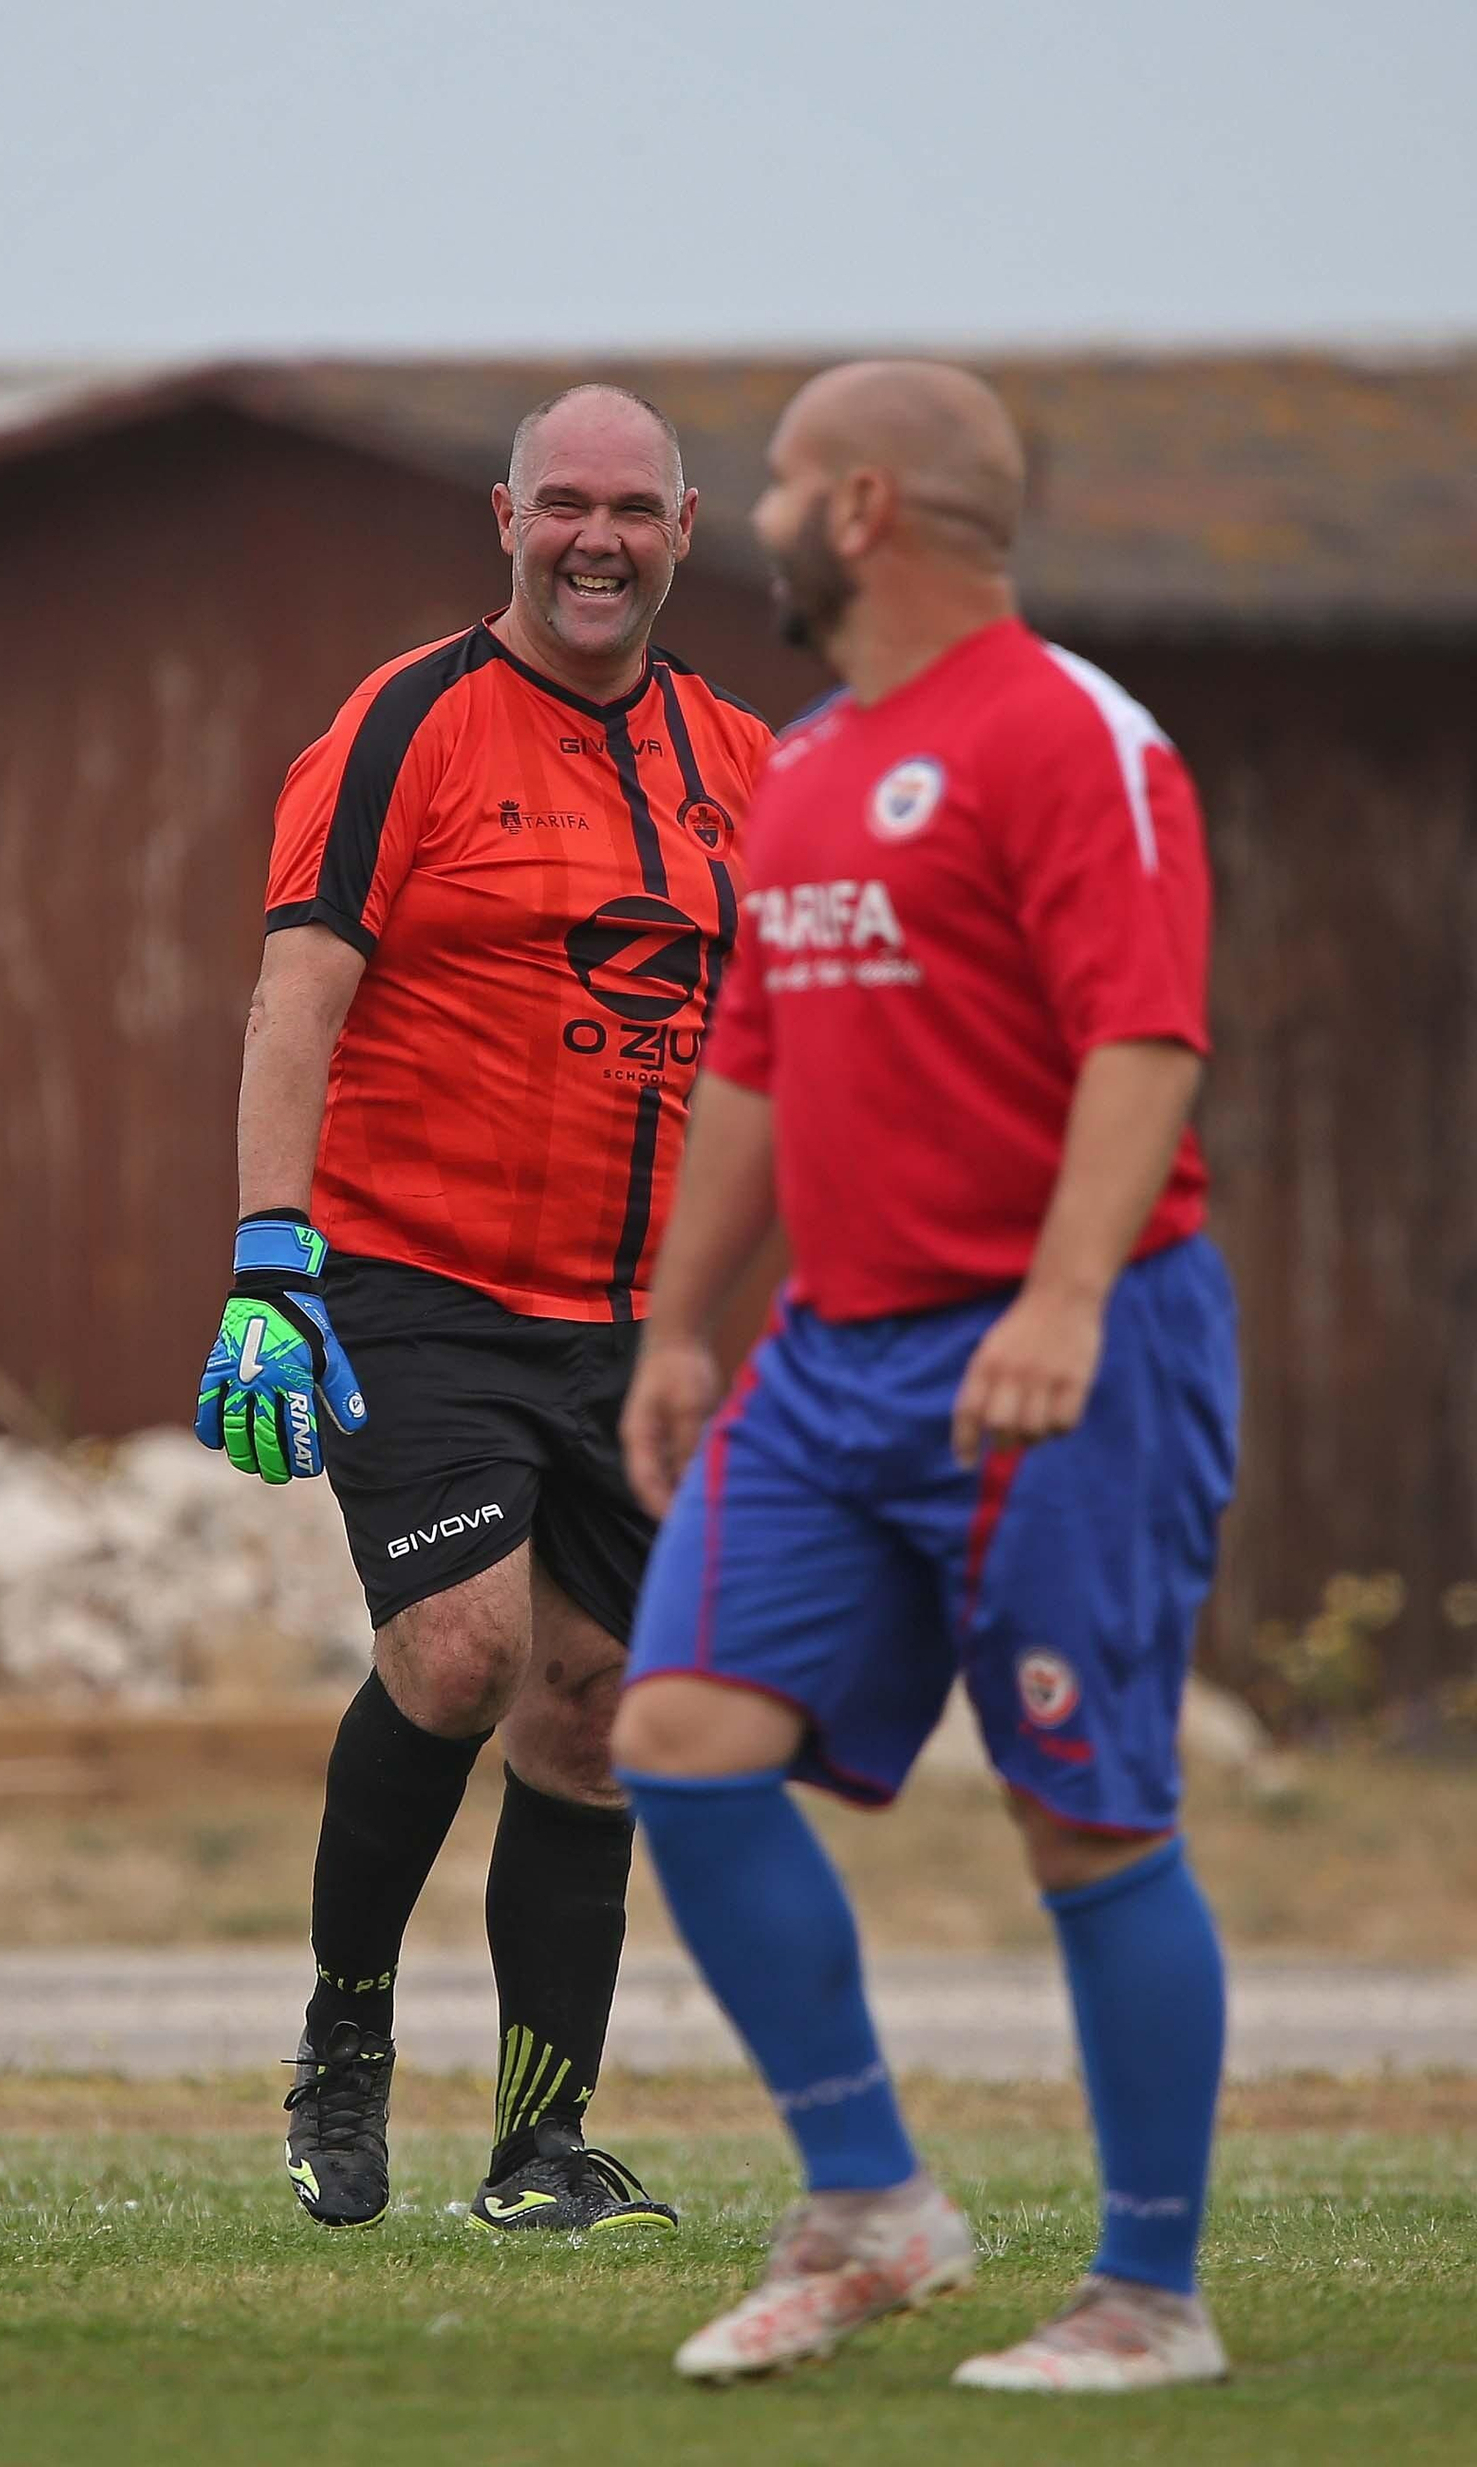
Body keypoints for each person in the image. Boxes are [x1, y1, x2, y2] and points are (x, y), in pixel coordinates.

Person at [613, 360, 1239, 2390]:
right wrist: (680, 1319)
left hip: (1063, 1339)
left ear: (862, 506)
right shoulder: (803, 765)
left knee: (1082, 1820)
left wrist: (1058, 1306)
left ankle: (1148, 2295)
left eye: (775, 483)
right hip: (829, 1356)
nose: (756, 516)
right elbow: (758, 1066)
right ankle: (869, 2208)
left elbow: (1141, 1040)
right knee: (681, 1732)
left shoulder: (1074, 736)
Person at [195, 384, 774, 2237]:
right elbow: (298, 999)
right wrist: (269, 1259)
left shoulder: (745, 766)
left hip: (633, 1322)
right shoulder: (402, 725)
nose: (596, 540)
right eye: (562, 508)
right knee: (459, 1652)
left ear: (686, 525)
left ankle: (538, 2147)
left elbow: (810, 1043)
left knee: (594, 1715)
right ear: (503, 517)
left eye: (633, 510)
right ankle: (344, 2046)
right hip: (416, 1285)